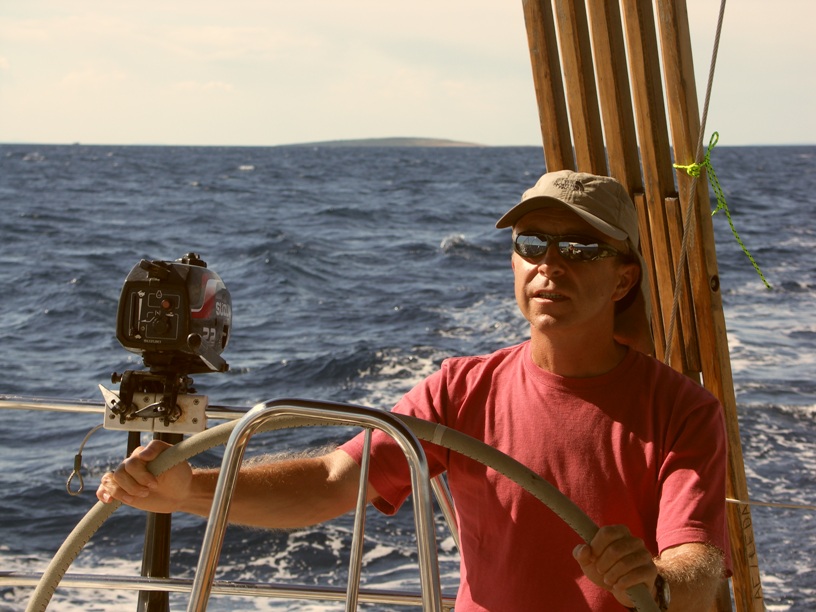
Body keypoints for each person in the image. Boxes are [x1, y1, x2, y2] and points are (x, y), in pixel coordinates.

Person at [98, 170, 730, 611]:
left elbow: (697, 569)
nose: (550, 264)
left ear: (623, 281)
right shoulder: (460, 390)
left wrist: (654, 582)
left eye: (581, 247)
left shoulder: (682, 410)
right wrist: (188, 489)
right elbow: (331, 481)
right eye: (532, 243)